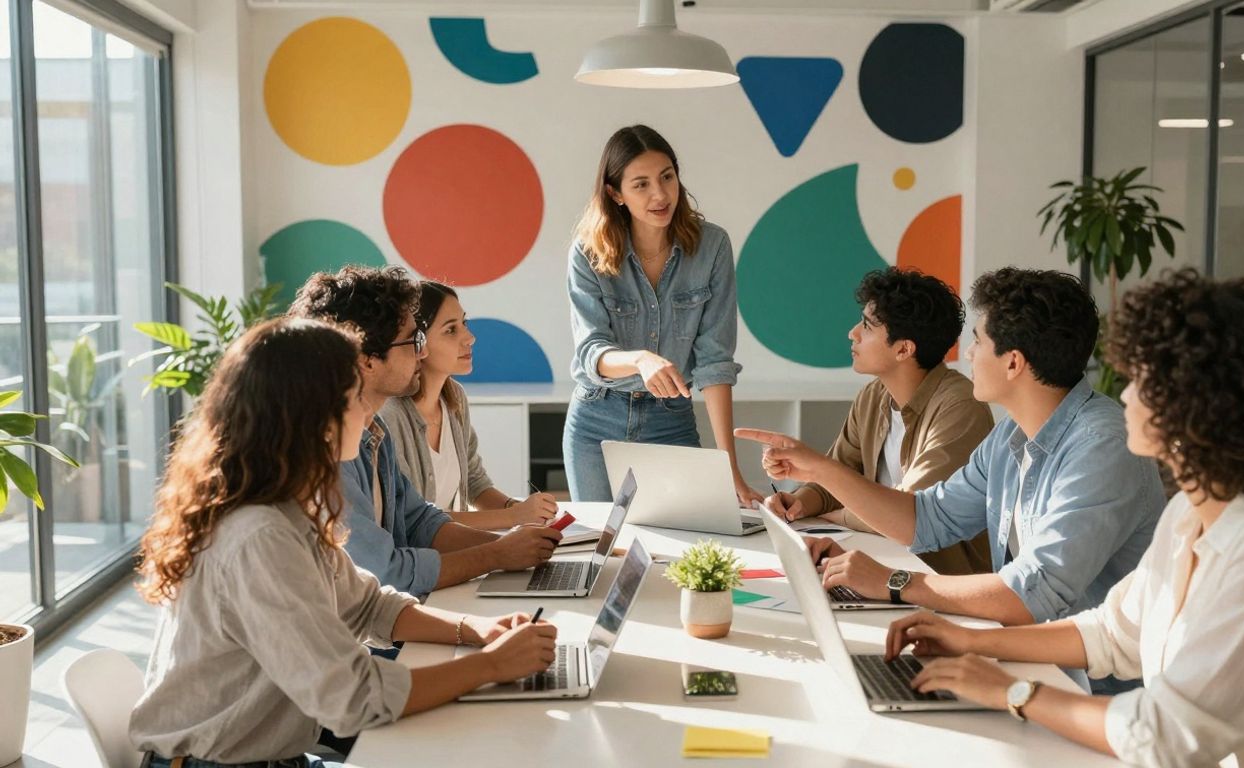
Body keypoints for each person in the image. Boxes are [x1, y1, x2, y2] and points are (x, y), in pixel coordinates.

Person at [885, 269, 1244, 767]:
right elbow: (1113, 633)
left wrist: (1013, 692)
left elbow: (1166, 734)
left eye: (1142, 381)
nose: (1128, 396)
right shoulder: (1189, 513)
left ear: (1201, 402)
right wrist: (971, 640)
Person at [130, 318, 558, 767]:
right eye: (355, 395)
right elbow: (352, 699)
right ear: (315, 419)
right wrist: (492, 665)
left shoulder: (285, 507)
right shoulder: (260, 536)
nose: (368, 410)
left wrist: (477, 629)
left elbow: (368, 606)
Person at [738, 269, 1162, 662]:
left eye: (977, 342)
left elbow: (1033, 591)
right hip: (1018, 653)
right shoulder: (1010, 435)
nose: (969, 354)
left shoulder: (1101, 445)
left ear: (1013, 362)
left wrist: (894, 581)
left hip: (1084, 682)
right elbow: (929, 519)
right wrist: (819, 470)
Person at [290, 266, 560, 598]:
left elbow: (420, 522)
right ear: (368, 360)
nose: (422, 353)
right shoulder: (329, 454)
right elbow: (384, 573)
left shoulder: (375, 432)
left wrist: (520, 547)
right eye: (413, 341)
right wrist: (497, 554)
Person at [564, 124, 760, 505]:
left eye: (667, 177)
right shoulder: (587, 252)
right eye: (641, 184)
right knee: (602, 539)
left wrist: (730, 468)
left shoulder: (712, 247)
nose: (660, 194)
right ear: (615, 193)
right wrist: (641, 360)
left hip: (670, 420)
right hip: (596, 420)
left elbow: (715, 362)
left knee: (684, 537)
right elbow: (591, 352)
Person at [767, 267, 994, 575]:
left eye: (867, 326)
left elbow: (912, 515)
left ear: (904, 349)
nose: (853, 333)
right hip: (881, 560)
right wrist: (798, 502)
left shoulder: (960, 406)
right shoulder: (873, 395)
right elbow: (838, 479)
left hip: (938, 577)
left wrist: (836, 515)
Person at [380, 280, 558, 528]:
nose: (470, 338)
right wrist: (514, 517)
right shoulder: (390, 415)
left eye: (464, 323)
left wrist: (519, 509)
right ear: (418, 343)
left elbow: (475, 482)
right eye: (451, 330)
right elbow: (413, 521)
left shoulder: (454, 398)